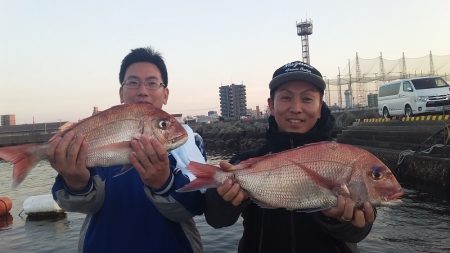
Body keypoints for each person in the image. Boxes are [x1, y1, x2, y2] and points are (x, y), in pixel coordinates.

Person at [204, 61, 376, 253]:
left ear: (320, 107)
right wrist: (224, 200)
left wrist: (344, 220)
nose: (296, 108)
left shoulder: (344, 158)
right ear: (271, 105)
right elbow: (216, 220)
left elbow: (358, 232)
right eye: (286, 97)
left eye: (307, 99)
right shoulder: (245, 164)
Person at [47, 47, 206, 253]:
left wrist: (163, 183)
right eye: (132, 82)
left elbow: (196, 205)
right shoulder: (100, 132)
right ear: (121, 93)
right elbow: (81, 205)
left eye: (152, 83)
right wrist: (76, 183)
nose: (142, 90)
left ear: (165, 94)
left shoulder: (188, 141)